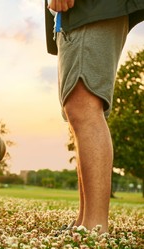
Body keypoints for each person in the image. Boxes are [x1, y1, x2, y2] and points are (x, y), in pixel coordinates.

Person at [45, 0, 144, 233]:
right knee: (78, 112)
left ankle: (95, 227)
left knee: (84, 106)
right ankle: (85, 220)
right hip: (80, 13)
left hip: (91, 7)